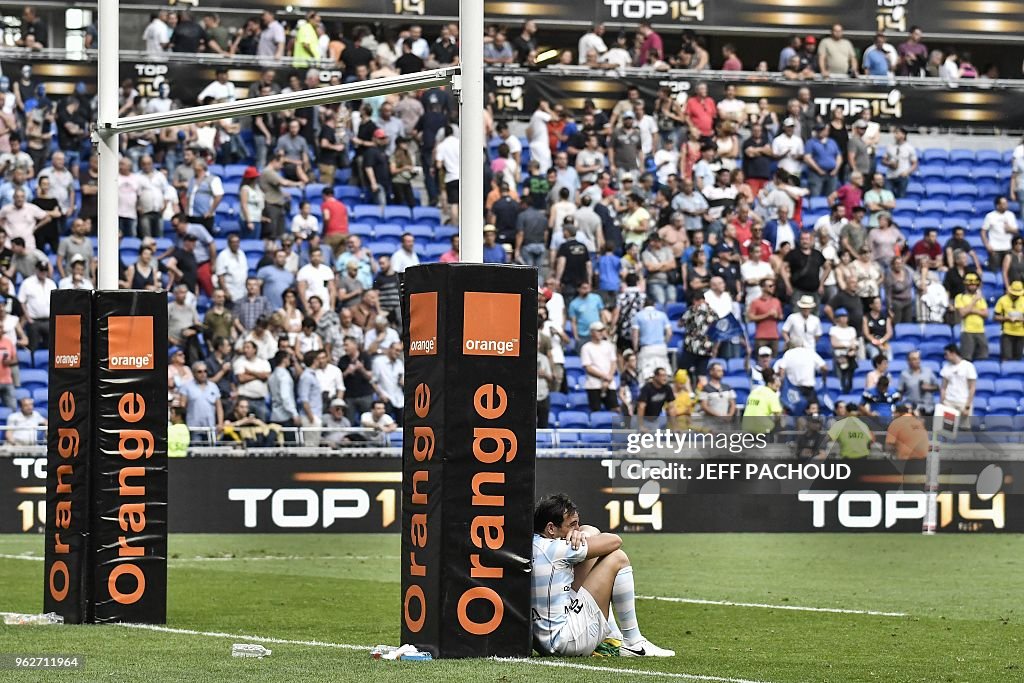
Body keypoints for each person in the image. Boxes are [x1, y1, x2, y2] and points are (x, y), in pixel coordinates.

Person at [531, 494, 675, 658]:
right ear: (551, 528)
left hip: (542, 643)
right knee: (617, 558)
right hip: (566, 643)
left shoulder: (533, 543)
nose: (577, 530)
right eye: (572, 525)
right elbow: (614, 541)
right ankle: (633, 642)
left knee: (590, 560)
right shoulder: (558, 549)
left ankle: (612, 637)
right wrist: (585, 535)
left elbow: (592, 532)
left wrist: (583, 532)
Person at [580, 321, 619, 412]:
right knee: (596, 410)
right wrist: (604, 377)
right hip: (594, 385)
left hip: (609, 384)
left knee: (615, 409)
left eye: (602, 330)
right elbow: (588, 367)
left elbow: (613, 363)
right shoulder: (586, 348)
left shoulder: (609, 346)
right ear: (592, 332)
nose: (601, 333)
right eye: (598, 331)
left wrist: (609, 377)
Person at [939, 344, 976, 426]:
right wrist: (942, 403)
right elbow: (943, 387)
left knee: (964, 429)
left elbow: (972, 388)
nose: (945, 357)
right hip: (949, 402)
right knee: (947, 429)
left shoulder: (968, 366)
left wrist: (967, 406)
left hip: (963, 402)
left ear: (953, 353)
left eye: (946, 354)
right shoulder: (946, 367)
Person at [955, 273, 989, 360]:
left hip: (981, 331)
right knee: (966, 358)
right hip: (967, 331)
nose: (973, 286)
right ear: (966, 284)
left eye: (974, 284)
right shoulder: (960, 297)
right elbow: (962, 313)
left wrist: (972, 310)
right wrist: (974, 301)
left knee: (983, 356)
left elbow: (986, 314)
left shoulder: (981, 298)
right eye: (970, 284)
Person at [982, 197, 1019, 274]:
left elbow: (1016, 231)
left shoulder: (1010, 215)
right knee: (994, 272)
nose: (1006, 205)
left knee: (1010, 272)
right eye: (1003, 204)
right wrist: (987, 245)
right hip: (995, 249)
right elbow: (983, 232)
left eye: (1006, 203)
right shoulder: (990, 216)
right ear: (997, 205)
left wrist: (1009, 229)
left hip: (1008, 248)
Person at [897, 350, 938, 417]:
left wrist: (928, 387)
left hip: (929, 409)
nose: (917, 361)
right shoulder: (904, 374)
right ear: (908, 361)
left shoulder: (928, 371)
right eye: (914, 359)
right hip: (913, 410)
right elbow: (900, 392)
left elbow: (937, 387)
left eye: (918, 358)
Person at [635, 367, 675, 432]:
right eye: (662, 376)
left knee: (653, 441)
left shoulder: (667, 388)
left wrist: (674, 427)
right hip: (641, 419)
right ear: (656, 377)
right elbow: (641, 407)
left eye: (666, 375)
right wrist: (641, 425)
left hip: (654, 420)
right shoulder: (647, 388)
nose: (665, 378)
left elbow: (671, 408)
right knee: (639, 440)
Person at [994, 281, 1024, 361]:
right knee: (1006, 358)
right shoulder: (1002, 300)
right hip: (1007, 333)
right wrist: (1007, 319)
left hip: (1021, 334)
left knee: (1018, 359)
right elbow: (996, 317)